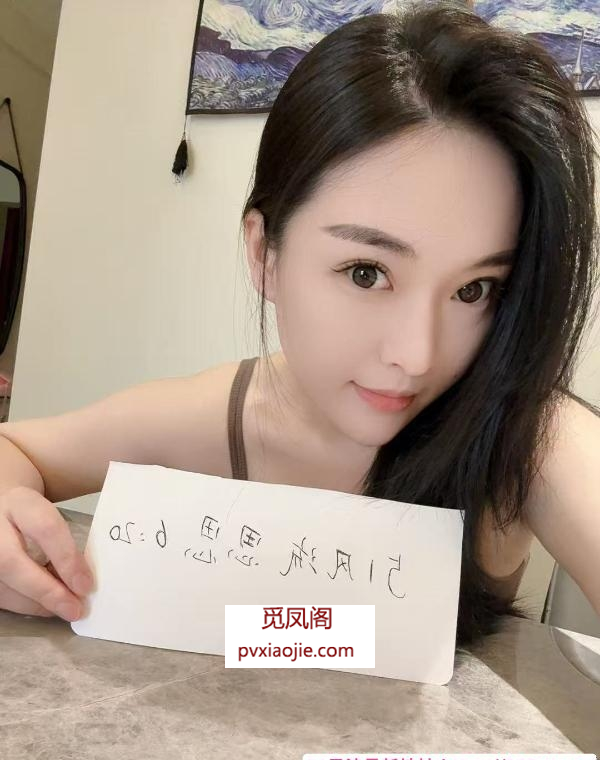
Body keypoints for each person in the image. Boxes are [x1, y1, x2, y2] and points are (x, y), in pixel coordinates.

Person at [0, 1, 598, 646]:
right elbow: (18, 450)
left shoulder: (531, 439)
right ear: (264, 253)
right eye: (366, 272)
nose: (417, 355)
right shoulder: (219, 416)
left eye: (473, 290)